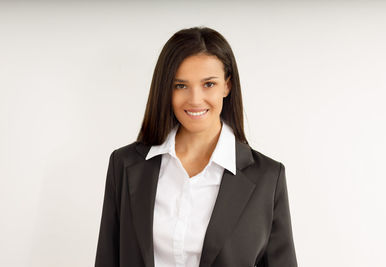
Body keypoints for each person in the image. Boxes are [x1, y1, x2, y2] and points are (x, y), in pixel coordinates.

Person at [94, 26, 298, 267]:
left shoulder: (267, 178)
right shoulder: (126, 164)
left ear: (227, 86)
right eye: (180, 85)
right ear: (166, 90)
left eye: (208, 84)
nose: (195, 99)